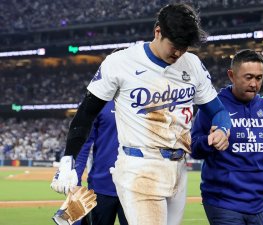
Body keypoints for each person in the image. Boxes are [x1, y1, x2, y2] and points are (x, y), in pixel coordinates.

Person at [50, 3, 231, 225]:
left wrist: (222, 129)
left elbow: (219, 111)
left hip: (178, 167)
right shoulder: (120, 62)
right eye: (174, 45)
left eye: (184, 47)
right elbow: (85, 115)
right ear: (158, 32)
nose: (179, 52)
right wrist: (68, 159)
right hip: (139, 167)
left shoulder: (192, 64)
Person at [190, 49, 263, 225]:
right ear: (231, 76)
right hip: (223, 201)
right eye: (248, 77)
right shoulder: (213, 107)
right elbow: (194, 147)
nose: (254, 84)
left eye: (259, 78)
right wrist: (209, 141)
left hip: (258, 203)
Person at [73, 101, 128, 225]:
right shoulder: (98, 100)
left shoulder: (144, 99)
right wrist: (76, 183)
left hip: (136, 187)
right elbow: (83, 145)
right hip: (101, 187)